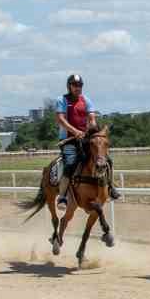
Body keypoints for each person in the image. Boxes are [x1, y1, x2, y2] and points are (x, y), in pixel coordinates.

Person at [54, 73, 119, 208]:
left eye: (80, 85)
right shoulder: (62, 100)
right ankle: (62, 196)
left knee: (106, 160)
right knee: (70, 163)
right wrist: (75, 131)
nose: (78, 88)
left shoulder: (87, 100)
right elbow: (60, 119)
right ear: (69, 86)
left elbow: (91, 118)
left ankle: (111, 187)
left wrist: (92, 128)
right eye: (75, 85)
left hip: (85, 138)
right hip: (68, 140)